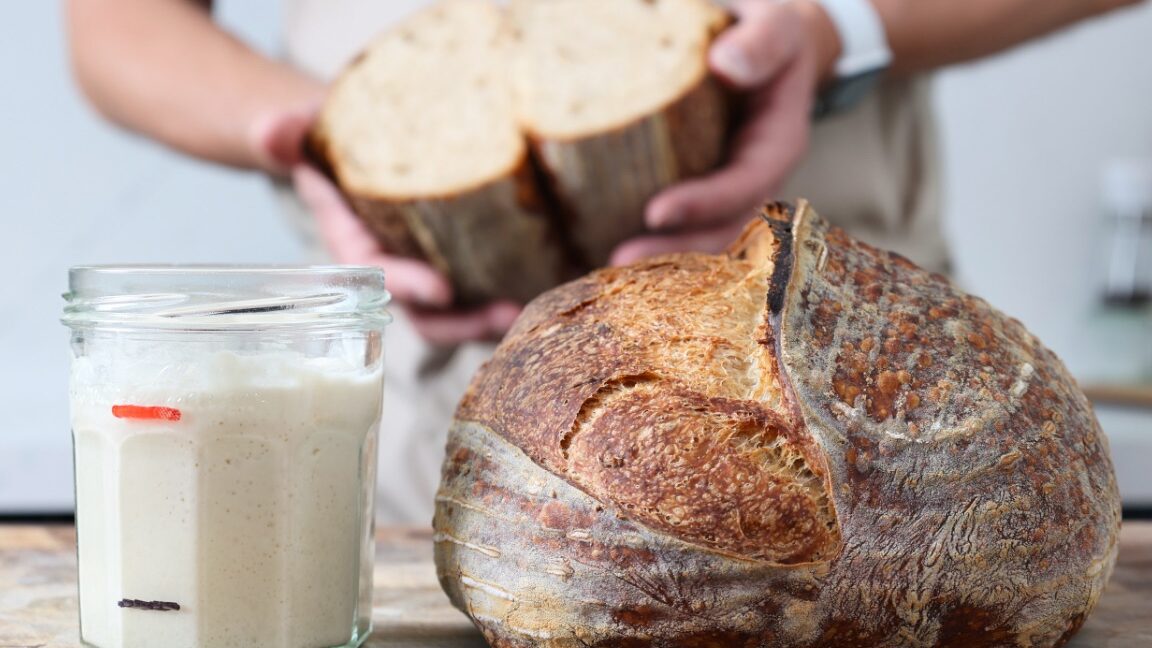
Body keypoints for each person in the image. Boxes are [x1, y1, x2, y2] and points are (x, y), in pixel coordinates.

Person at [66, 0, 1142, 522]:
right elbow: (114, 22)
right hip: (424, 424)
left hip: (859, 407)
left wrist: (838, 25)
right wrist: (305, 132)